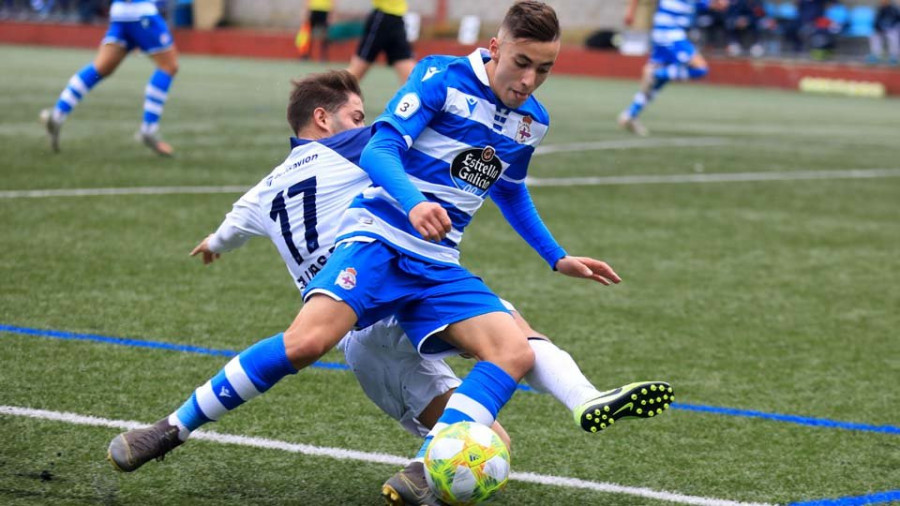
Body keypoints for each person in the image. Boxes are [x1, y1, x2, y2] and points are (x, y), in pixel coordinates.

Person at [106, 4, 672, 504]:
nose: (529, 80)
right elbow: (380, 148)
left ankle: (430, 469)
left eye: (544, 69)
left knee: (513, 350)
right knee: (306, 343)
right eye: (521, 63)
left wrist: (557, 257)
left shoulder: (532, 122)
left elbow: (510, 189)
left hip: (437, 263)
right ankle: (170, 429)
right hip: (378, 238)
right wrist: (413, 202)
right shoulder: (437, 77)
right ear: (495, 47)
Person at [184, 69, 654, 457]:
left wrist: (213, 244)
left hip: (379, 301)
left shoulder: (261, 193)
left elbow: (227, 232)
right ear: (324, 119)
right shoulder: (350, 147)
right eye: (356, 115)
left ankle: (584, 399)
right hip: (375, 287)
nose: (365, 122)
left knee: (491, 436)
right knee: (501, 376)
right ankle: (577, 398)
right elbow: (398, 141)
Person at [39, 0, 178, 156]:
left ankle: (57, 115)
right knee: (168, 66)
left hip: (120, 13)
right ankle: (149, 129)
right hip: (141, 12)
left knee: (101, 68)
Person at [618, 0, 727, 136]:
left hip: (668, 33)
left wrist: (716, 5)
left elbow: (703, 4)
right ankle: (657, 73)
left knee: (657, 84)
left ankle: (630, 114)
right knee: (700, 69)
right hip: (670, 33)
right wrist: (630, 12)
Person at [346, 0, 416, 83]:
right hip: (382, 19)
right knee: (357, 70)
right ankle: (330, 91)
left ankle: (418, 95)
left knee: (409, 74)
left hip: (397, 20)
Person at [868, 0, 900, 65]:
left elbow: (896, 20)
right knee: (874, 36)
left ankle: (894, 56)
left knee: (893, 36)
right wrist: (879, 28)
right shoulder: (879, 9)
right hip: (881, 30)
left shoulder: (894, 9)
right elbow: (876, 21)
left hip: (891, 29)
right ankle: (876, 55)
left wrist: (888, 27)